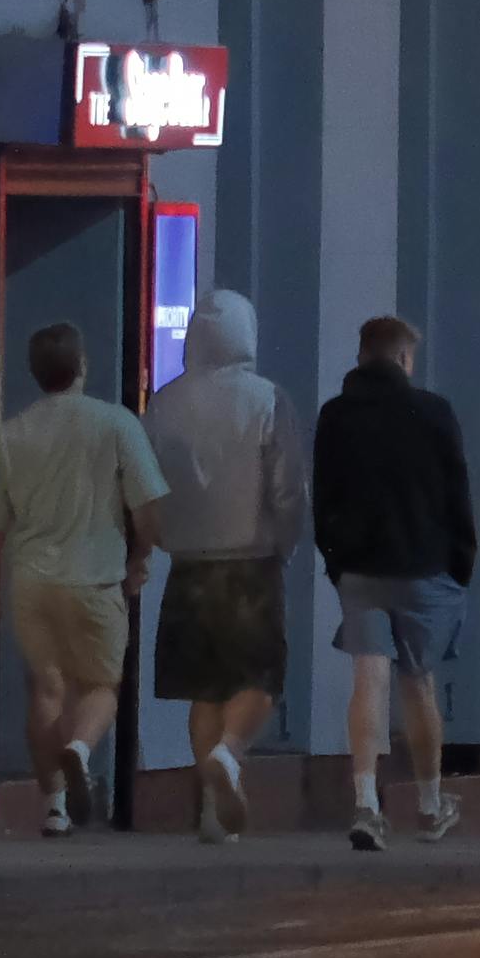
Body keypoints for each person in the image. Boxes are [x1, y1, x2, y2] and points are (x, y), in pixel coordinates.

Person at [0, 316, 159, 836]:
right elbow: (148, 507)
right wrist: (140, 557)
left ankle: (55, 805)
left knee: (47, 689)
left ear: (35, 372)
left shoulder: (11, 434)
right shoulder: (117, 424)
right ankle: (79, 748)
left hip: (33, 581)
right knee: (101, 684)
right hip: (96, 579)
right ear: (82, 365)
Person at [307, 315, 479, 850]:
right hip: (423, 567)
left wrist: (336, 563)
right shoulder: (434, 412)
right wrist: (459, 566)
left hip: (360, 570)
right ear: (404, 358)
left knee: (369, 677)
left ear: (362, 355)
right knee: (418, 682)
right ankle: (429, 806)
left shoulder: (335, 415)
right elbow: (457, 495)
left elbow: (324, 496)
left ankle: (366, 803)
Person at [140, 284, 296, 841]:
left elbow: (146, 483)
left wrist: (154, 540)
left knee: (203, 688)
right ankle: (229, 754)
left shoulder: (163, 403)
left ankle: (211, 811)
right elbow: (286, 488)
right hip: (252, 562)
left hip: (187, 565)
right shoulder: (268, 399)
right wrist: (286, 541)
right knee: (259, 678)